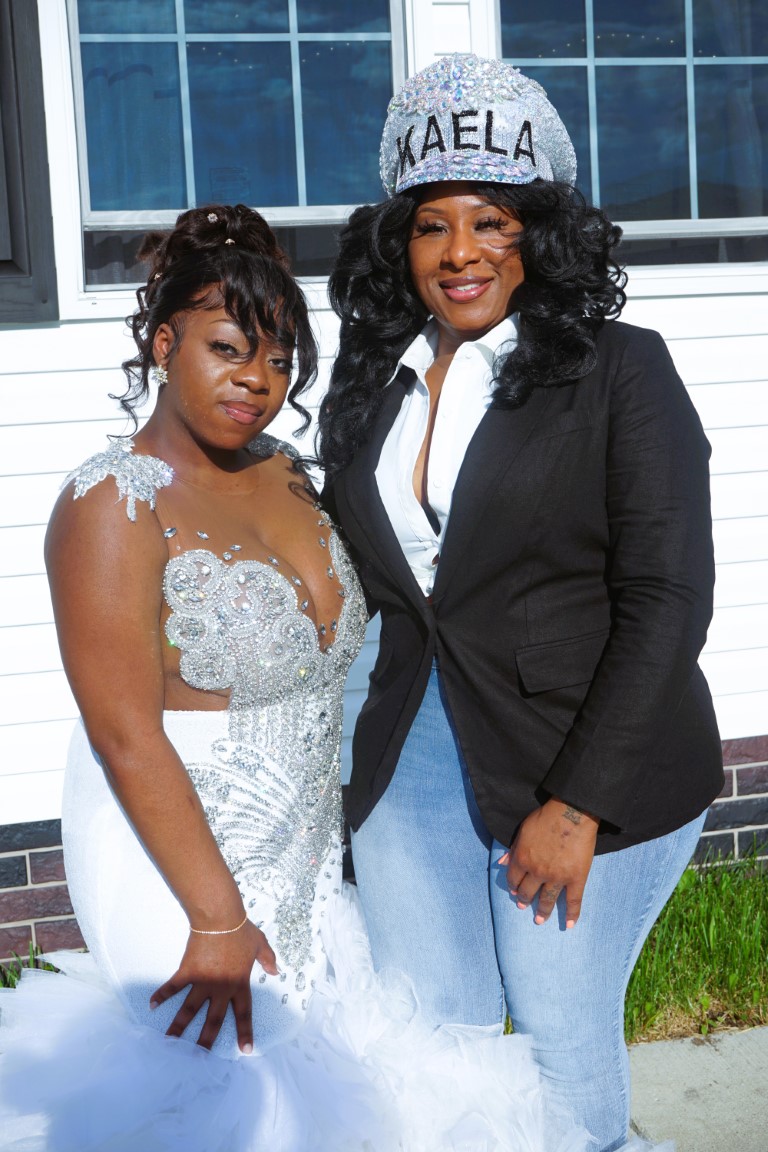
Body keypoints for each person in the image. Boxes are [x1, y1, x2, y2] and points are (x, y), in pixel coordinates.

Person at [0, 203, 606, 1152]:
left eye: (280, 360)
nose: (258, 379)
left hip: (309, 854)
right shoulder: (110, 503)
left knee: (325, 1086)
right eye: (228, 348)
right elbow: (122, 733)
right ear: (163, 344)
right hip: (176, 856)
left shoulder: (286, 472)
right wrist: (214, 918)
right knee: (217, 1092)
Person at [318, 54, 724, 1152]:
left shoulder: (621, 371)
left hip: (585, 755)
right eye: (432, 225)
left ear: (538, 234)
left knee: (556, 1044)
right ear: (398, 244)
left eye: (491, 222)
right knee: (435, 1040)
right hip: (412, 750)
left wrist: (576, 805)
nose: (460, 252)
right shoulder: (373, 380)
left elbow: (669, 597)